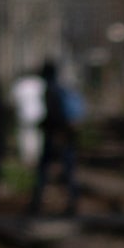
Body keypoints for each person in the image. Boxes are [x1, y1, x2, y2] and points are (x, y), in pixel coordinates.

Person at [34, 54, 83, 212]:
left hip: (56, 136)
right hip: (65, 135)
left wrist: (45, 126)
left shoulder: (50, 90)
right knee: (67, 169)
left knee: (46, 170)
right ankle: (72, 200)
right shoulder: (61, 88)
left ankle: (38, 202)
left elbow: (54, 115)